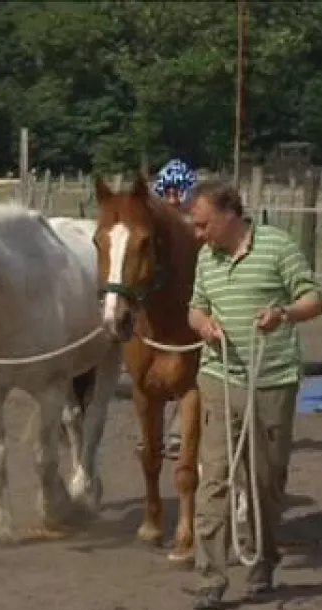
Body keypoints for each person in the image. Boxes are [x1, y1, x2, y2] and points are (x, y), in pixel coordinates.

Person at [185, 178, 322, 610]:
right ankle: (209, 577)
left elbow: (314, 299)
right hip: (219, 376)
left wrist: (283, 314)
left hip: (271, 379)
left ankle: (262, 558)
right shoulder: (206, 259)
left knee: (264, 479)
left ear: (230, 216)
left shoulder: (277, 247)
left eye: (204, 224)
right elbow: (195, 307)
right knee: (215, 477)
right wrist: (203, 325)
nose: (199, 234)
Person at [117, 158, 198, 458]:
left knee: (190, 365)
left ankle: (181, 425)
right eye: (170, 191)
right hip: (153, 303)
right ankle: (151, 432)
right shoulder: (153, 226)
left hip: (187, 300)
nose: (175, 198)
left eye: (181, 192)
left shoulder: (194, 228)